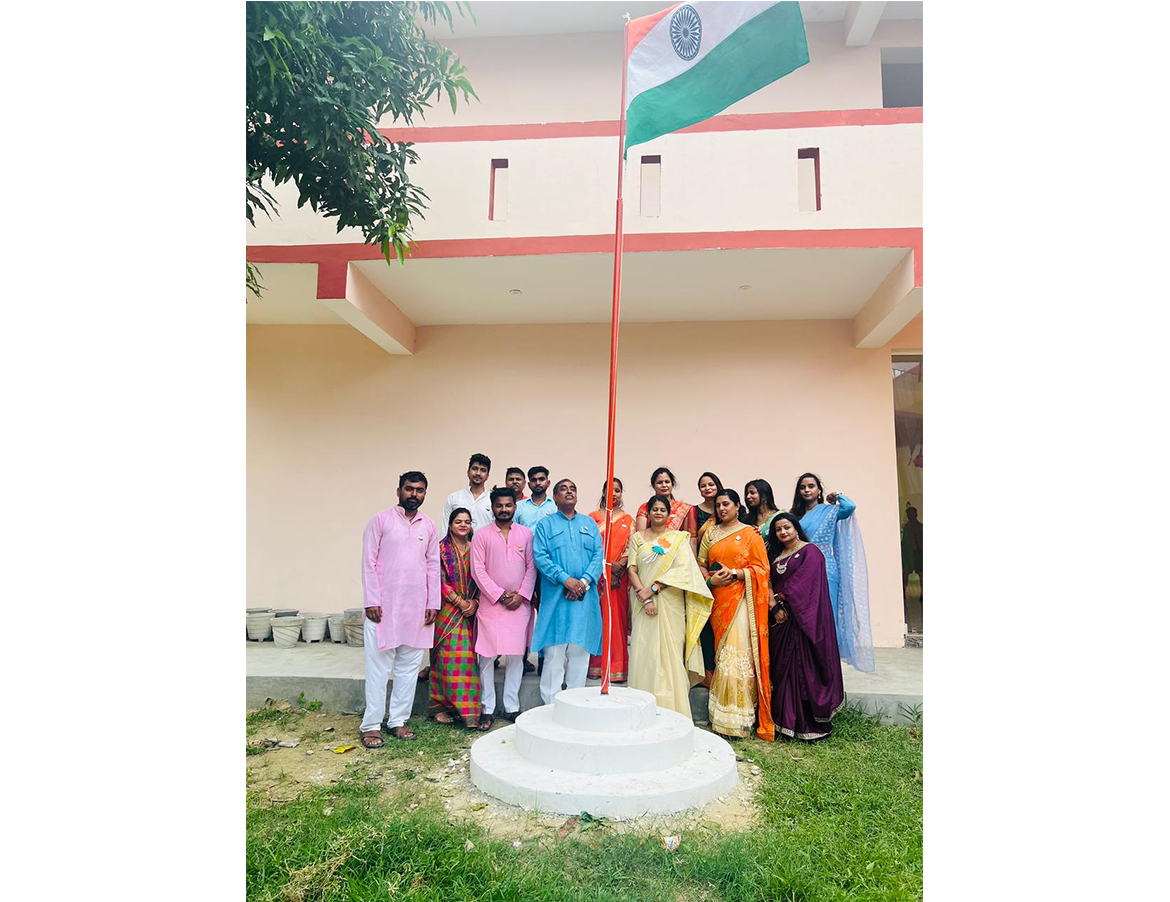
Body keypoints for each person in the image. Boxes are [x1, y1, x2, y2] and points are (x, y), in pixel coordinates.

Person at [359, 471, 440, 748]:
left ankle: (398, 720)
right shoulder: (380, 520)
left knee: (408, 668)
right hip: (383, 608)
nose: (414, 494)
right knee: (378, 670)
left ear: (425, 493)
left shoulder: (429, 525)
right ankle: (371, 725)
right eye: (409, 488)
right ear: (398, 491)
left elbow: (433, 566)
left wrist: (433, 603)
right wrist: (371, 600)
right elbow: (368, 562)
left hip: (417, 609)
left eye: (419, 490)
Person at [697, 489, 774, 741]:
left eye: (726, 504)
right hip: (717, 599)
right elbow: (701, 564)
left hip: (741, 598)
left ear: (737, 506)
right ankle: (721, 715)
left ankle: (739, 716)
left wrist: (736, 574)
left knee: (737, 651)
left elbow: (762, 568)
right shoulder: (710, 533)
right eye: (718, 505)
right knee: (722, 652)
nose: (721, 509)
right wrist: (711, 580)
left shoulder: (750, 533)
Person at [626, 495, 713, 716]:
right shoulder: (638, 538)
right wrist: (645, 597)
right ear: (648, 513)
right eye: (654, 509)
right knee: (645, 651)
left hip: (669, 602)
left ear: (668, 514)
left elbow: (684, 571)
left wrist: (654, 588)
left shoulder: (678, 539)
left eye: (662, 510)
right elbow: (632, 569)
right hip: (642, 602)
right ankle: (642, 709)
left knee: (670, 652)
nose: (658, 513)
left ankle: (671, 710)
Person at [766, 512, 844, 741]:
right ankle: (784, 722)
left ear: (796, 528)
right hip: (781, 620)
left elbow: (805, 584)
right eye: (778, 529)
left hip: (804, 621)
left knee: (805, 670)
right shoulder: (776, 555)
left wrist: (780, 598)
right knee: (783, 670)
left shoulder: (810, 552)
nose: (783, 532)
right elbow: (768, 580)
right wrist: (774, 607)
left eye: (787, 527)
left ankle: (809, 724)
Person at [790, 473, 875, 672]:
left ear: (819, 489)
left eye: (811, 486)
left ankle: (828, 664)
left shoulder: (830, 511)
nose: (807, 490)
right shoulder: (795, 516)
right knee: (804, 616)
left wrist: (836, 495)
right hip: (801, 570)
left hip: (826, 569)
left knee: (827, 616)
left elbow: (850, 507)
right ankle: (807, 663)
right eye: (802, 487)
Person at [531, 479, 604, 704]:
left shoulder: (589, 524)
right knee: (554, 654)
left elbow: (598, 555)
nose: (569, 492)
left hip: (584, 599)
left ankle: (575, 704)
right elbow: (540, 557)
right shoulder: (545, 525)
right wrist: (566, 580)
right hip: (556, 599)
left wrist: (583, 582)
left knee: (580, 654)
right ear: (555, 497)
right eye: (563, 489)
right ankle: (550, 706)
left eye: (573, 488)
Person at [470, 487, 537, 729]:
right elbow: (477, 570)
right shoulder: (481, 535)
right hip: (491, 605)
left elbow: (532, 567)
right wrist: (499, 595)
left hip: (519, 605)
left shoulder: (526, 534)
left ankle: (511, 706)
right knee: (487, 657)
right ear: (492, 508)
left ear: (515, 507)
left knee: (516, 657)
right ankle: (487, 709)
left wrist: (521, 595)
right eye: (499, 505)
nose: (504, 509)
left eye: (508, 505)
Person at [430, 508, 482, 731]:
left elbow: (483, 576)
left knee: (468, 660)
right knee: (446, 659)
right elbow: (438, 580)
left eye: (467, 522)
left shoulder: (477, 547)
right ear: (450, 525)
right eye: (458, 521)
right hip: (448, 609)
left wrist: (475, 602)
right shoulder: (441, 549)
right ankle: (440, 707)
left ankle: (468, 711)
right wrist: (460, 602)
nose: (463, 525)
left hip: (471, 610)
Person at [587, 478, 635, 682]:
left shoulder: (629, 520)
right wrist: (605, 568)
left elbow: (631, 547)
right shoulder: (592, 518)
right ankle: (596, 666)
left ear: (622, 493)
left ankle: (617, 667)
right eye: (610, 489)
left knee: (617, 620)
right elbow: (588, 548)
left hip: (619, 577)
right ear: (603, 491)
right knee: (598, 620)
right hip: (597, 575)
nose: (614, 493)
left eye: (618, 490)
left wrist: (617, 570)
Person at [514, 465, 556, 673]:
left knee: (547, 610)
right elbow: (512, 533)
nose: (538, 482)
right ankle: (520, 658)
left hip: (548, 566)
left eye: (541, 479)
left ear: (548, 482)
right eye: (534, 479)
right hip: (524, 565)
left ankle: (544, 659)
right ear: (528, 484)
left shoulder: (556, 506)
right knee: (523, 611)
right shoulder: (519, 507)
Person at [691, 472, 725, 687]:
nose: (707, 488)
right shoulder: (694, 511)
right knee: (704, 621)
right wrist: (697, 572)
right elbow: (693, 541)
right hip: (702, 571)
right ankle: (706, 673)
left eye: (711, 484)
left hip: (727, 572)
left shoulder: (727, 506)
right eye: (703, 485)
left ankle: (724, 670)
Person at [635, 467, 697, 534]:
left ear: (672, 484)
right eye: (659, 482)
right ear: (653, 486)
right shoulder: (645, 507)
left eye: (667, 482)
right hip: (650, 540)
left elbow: (689, 537)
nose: (664, 485)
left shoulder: (685, 509)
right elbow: (640, 536)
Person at [442, 453, 493, 531]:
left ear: (487, 476)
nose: (478, 473)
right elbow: (445, 528)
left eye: (483, 470)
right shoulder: (454, 498)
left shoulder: (492, 500)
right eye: (475, 469)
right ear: (468, 472)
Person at [901, 504, 923, 600]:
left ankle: (922, 593)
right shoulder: (907, 527)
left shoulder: (918, 527)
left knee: (921, 574)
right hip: (910, 553)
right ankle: (904, 592)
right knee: (906, 574)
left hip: (917, 553)